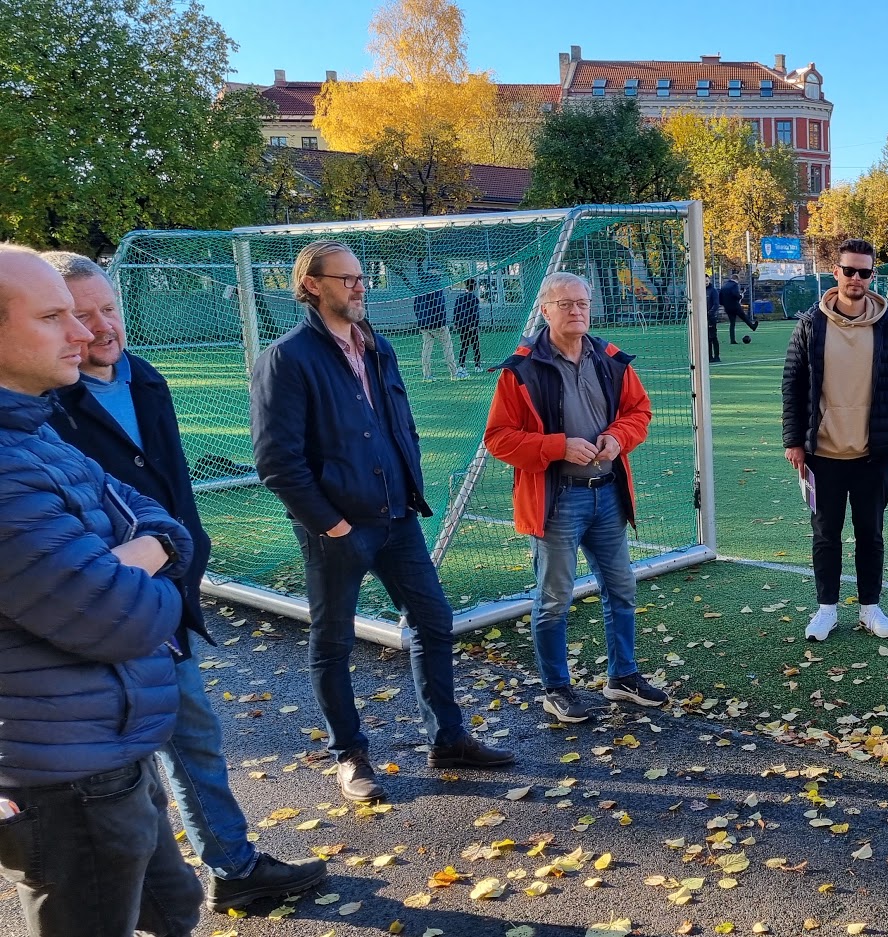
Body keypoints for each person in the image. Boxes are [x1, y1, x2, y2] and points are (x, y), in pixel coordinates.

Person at [42, 252, 328, 913]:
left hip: (164, 596)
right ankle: (181, 881)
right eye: (80, 315)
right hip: (98, 609)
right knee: (133, 761)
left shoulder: (145, 377)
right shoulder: (45, 405)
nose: (99, 326)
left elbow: (173, 493)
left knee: (187, 737)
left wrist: (185, 562)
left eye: (108, 308)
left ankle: (221, 868)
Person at [250, 240, 514, 805]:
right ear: (312, 285)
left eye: (361, 277)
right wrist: (333, 526)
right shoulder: (287, 358)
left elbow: (399, 424)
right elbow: (277, 462)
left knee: (434, 620)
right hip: (337, 530)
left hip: (398, 517)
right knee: (333, 641)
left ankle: (448, 739)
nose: (359, 287)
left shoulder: (377, 347)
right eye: (346, 278)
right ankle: (349, 755)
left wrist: (409, 489)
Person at [0, 244, 201, 937]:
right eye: (54, 317)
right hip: (61, 774)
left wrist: (139, 552)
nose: (83, 334)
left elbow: (163, 519)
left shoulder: (35, 432)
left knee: (173, 908)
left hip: (110, 744)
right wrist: (156, 572)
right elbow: (121, 615)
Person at [483, 271, 666, 722]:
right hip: (557, 500)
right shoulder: (521, 369)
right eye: (565, 304)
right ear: (545, 310)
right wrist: (557, 447)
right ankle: (556, 688)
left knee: (621, 590)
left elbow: (639, 412)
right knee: (554, 599)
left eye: (582, 303)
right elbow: (498, 438)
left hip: (607, 495)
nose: (576, 311)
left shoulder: (610, 358)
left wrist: (618, 438)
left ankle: (622, 677)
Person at [782, 238, 888, 642]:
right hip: (823, 453)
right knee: (826, 535)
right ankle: (826, 610)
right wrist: (793, 440)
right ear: (836, 272)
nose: (856, 278)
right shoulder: (811, 323)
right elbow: (793, 384)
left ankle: (870, 609)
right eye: (849, 270)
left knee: (870, 534)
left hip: (874, 453)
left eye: (864, 272)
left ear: (872, 275)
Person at [414, 279, 463, 381]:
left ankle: (426, 375)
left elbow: (416, 306)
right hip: (437, 323)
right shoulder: (436, 285)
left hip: (423, 324)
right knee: (447, 346)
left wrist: (420, 320)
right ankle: (454, 373)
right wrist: (441, 323)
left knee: (426, 348)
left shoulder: (420, 287)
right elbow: (439, 305)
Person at [453, 278, 483, 373]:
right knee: (475, 346)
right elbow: (475, 313)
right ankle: (477, 366)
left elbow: (456, 311)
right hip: (471, 325)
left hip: (462, 325)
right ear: (474, 286)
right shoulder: (474, 299)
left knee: (464, 345)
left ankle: (461, 365)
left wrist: (456, 323)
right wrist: (475, 324)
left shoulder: (459, 297)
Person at [720, 273, 756, 344]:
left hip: (727, 307)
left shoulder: (724, 286)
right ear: (736, 279)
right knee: (744, 317)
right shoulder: (735, 285)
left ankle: (732, 340)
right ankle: (753, 326)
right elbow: (735, 294)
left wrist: (723, 304)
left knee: (732, 323)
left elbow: (720, 297)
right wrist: (740, 296)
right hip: (735, 306)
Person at [705, 276, 722, 363]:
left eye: (707, 281)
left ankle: (716, 356)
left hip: (711, 318)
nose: (706, 282)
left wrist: (710, 313)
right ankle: (709, 356)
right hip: (703, 318)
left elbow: (716, 304)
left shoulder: (713, 291)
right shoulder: (701, 290)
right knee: (706, 338)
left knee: (713, 337)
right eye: (704, 281)